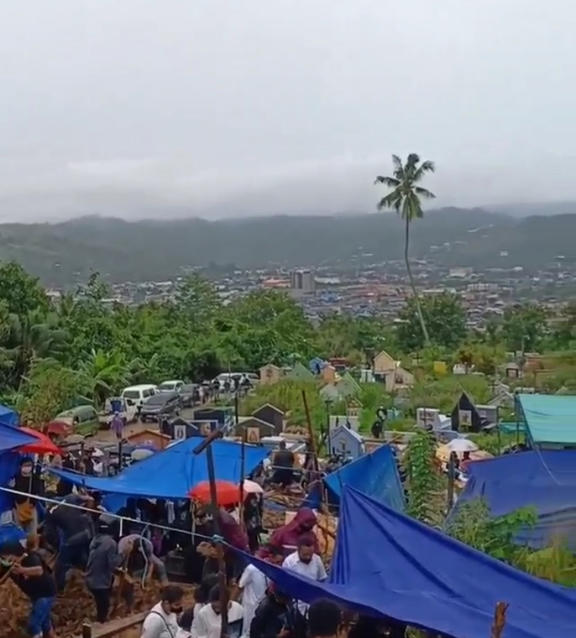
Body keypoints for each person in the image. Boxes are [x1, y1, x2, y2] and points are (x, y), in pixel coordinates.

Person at [5, 534, 56, 638]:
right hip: (35, 595)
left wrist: (22, 570)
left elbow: (39, 570)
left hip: (45, 593)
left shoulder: (30, 557)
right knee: (45, 622)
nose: (7, 559)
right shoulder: (11, 568)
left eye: (8, 556)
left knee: (34, 624)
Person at [86, 515, 125, 623]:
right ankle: (100, 626)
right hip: (100, 582)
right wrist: (123, 554)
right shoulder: (111, 543)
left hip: (90, 577)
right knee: (103, 606)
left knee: (101, 603)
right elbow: (113, 563)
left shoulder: (95, 539)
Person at [238, 546, 283, 637]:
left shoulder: (277, 571)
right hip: (251, 607)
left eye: (281, 562)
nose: (279, 565)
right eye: (277, 562)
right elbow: (240, 586)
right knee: (247, 633)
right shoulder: (252, 568)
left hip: (267, 608)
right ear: (270, 557)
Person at [282, 535, 327, 614]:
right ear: (298, 550)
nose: (308, 557)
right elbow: (284, 584)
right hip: (295, 605)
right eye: (305, 554)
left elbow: (322, 580)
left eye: (310, 555)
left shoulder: (317, 560)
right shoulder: (289, 562)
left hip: (313, 604)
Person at [11, 458, 44, 535]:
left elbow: (37, 492)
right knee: (20, 533)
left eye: (29, 465)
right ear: (20, 466)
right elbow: (13, 494)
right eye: (25, 465)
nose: (27, 467)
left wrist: (33, 502)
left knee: (32, 533)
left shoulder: (34, 478)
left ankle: (32, 545)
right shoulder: (15, 478)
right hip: (17, 509)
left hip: (30, 508)